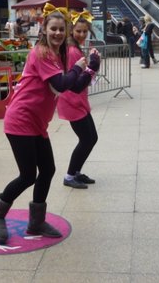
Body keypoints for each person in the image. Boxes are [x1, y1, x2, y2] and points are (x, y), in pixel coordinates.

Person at [0, 3, 100, 244]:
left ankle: (36, 222)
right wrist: (81, 66)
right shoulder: (41, 52)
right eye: (53, 29)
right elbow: (61, 84)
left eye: (61, 29)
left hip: (37, 123)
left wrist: (91, 70)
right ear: (45, 29)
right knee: (28, 175)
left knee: (47, 170)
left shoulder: (59, 56)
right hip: (21, 119)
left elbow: (75, 86)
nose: (57, 33)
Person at [58, 10, 100, 189]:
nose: (82, 34)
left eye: (84, 31)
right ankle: (69, 176)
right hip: (72, 101)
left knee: (91, 138)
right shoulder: (72, 51)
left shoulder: (75, 49)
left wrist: (92, 63)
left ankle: (75, 172)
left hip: (78, 101)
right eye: (78, 31)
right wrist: (93, 65)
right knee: (87, 139)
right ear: (71, 31)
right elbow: (77, 82)